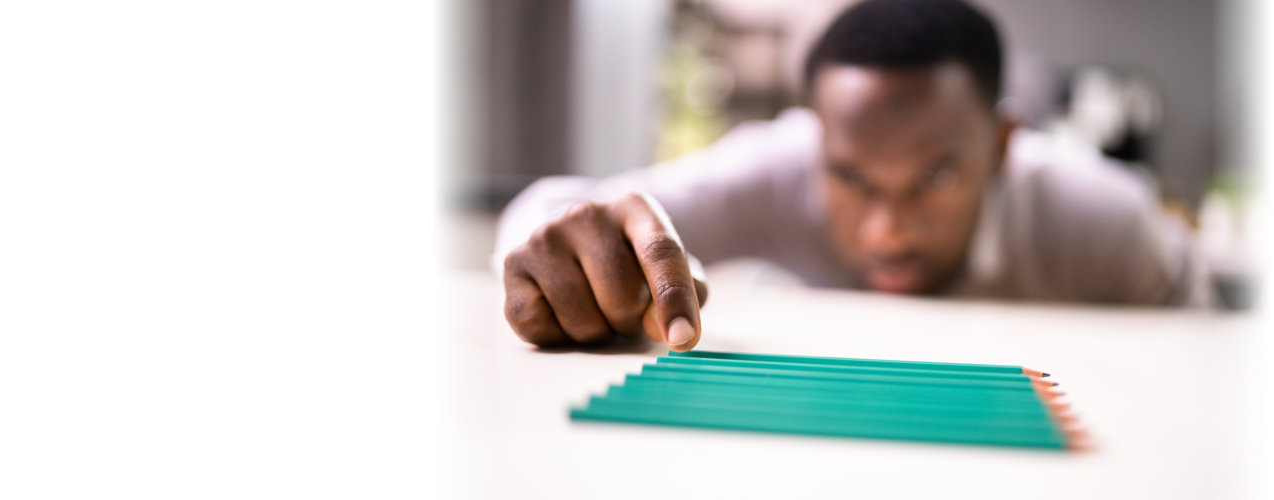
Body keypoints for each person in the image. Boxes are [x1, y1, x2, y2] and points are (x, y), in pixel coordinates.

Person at [493, 0, 1194, 352]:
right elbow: (559, 207)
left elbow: (1210, 366)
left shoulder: (1104, 218)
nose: (888, 231)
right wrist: (564, 248)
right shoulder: (781, 164)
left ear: (1004, 145)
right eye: (853, 178)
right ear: (817, 139)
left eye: (938, 174)